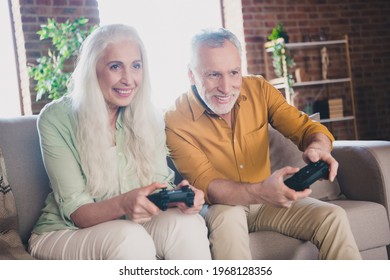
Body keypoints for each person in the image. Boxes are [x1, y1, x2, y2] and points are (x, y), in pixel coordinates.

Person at [164, 27, 361, 260]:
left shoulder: (259, 89)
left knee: (333, 217)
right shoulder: (175, 120)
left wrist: (318, 147)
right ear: (191, 74)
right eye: (213, 75)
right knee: (227, 217)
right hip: (221, 206)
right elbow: (209, 186)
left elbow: (307, 128)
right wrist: (263, 192)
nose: (226, 88)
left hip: (267, 202)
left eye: (234, 73)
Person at [28, 24, 211, 260]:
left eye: (136, 66)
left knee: (189, 224)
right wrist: (125, 203)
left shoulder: (150, 116)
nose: (129, 79)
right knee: (129, 238)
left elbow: (157, 186)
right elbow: (77, 213)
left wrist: (179, 198)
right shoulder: (56, 118)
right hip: (66, 230)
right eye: (115, 67)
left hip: (131, 224)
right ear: (92, 70)